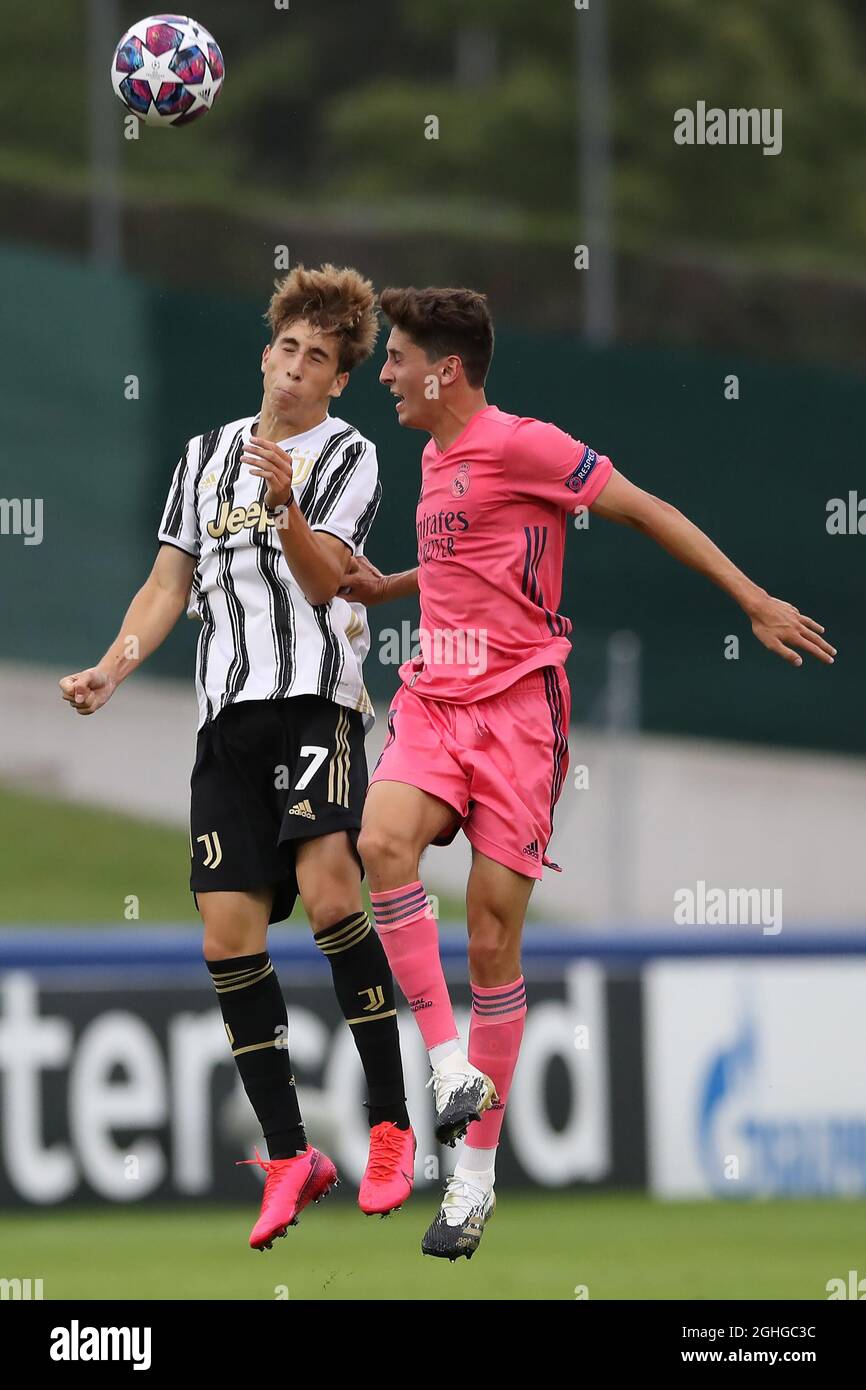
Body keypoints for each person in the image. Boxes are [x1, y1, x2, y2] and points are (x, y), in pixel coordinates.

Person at [342, 284, 836, 1261]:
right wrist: (389, 582)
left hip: (522, 712)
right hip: (436, 698)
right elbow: (464, 560)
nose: (384, 373)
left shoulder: (525, 444)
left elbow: (642, 508)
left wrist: (750, 597)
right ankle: (445, 1067)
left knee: (490, 940)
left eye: (395, 357)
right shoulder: (434, 457)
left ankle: (472, 1181)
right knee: (379, 840)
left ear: (443, 369)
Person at [59, 265, 415, 1251]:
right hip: (227, 724)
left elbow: (322, 580)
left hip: (314, 703)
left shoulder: (349, 456)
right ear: (266, 355)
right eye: (288, 350)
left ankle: (389, 1125)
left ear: (339, 381)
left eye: (320, 360)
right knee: (225, 934)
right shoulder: (204, 456)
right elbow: (167, 583)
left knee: (334, 893)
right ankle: (291, 1150)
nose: (298, 371)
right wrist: (113, 666)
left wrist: (287, 504)